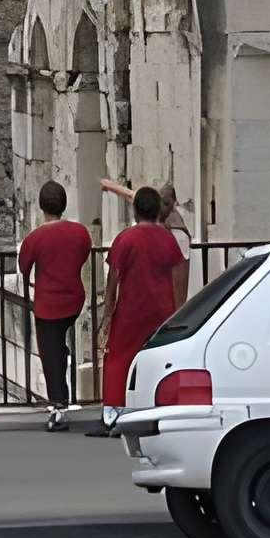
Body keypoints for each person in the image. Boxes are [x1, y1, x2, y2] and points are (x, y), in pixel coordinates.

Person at [97, 177, 189, 418]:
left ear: (135, 210)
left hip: (130, 309)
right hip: (161, 309)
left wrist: (107, 313)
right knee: (158, 357)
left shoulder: (125, 238)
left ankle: (114, 411)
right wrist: (178, 309)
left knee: (118, 357)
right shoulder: (168, 239)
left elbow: (113, 278)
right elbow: (178, 274)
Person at [14, 180, 94, 430]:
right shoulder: (80, 232)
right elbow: (83, 254)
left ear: (41, 206)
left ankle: (58, 406)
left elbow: (24, 267)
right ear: (64, 204)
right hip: (74, 298)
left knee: (51, 354)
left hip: (49, 303)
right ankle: (65, 371)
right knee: (59, 345)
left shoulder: (35, 238)